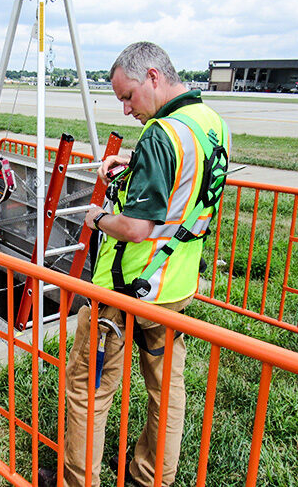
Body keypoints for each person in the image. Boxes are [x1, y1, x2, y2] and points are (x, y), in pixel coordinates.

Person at [40, 42, 231, 486]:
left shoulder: (162, 134)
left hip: (126, 291)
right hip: (175, 287)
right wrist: (135, 162)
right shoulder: (210, 122)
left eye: (128, 97)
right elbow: (187, 186)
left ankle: (77, 480)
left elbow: (139, 228)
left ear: (152, 76)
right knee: (166, 392)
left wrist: (98, 217)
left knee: (87, 389)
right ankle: (150, 478)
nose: (126, 110)